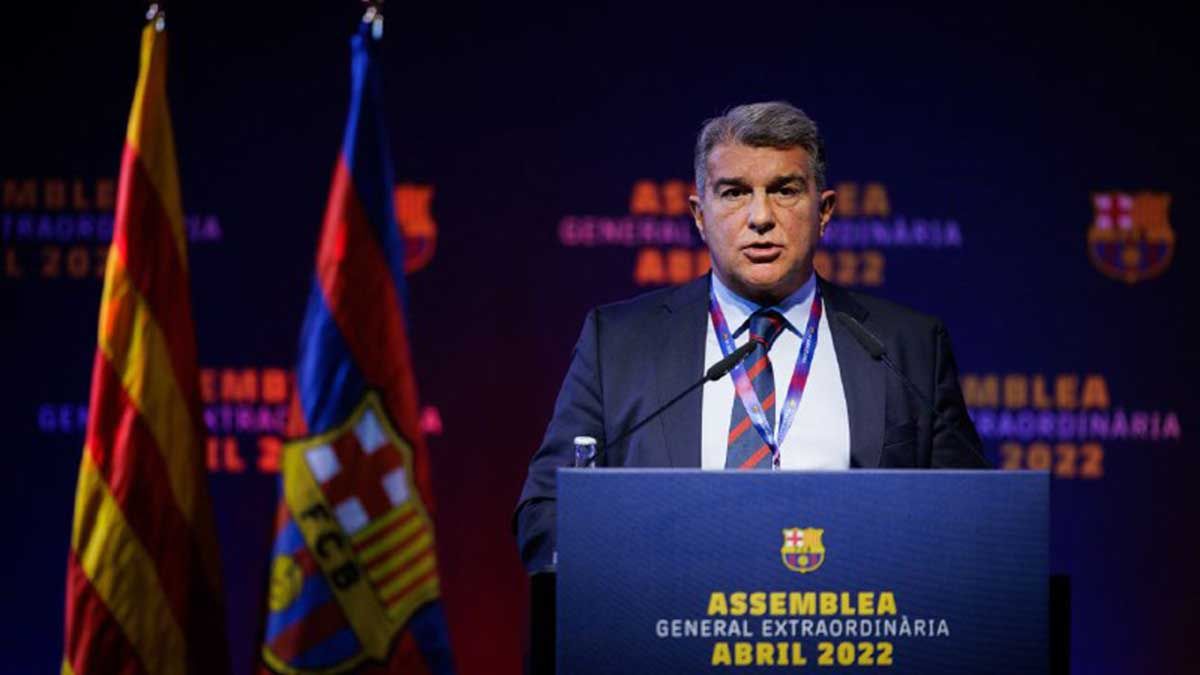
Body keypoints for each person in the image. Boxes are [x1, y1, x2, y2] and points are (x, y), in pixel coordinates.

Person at [514, 101, 988, 574]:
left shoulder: (907, 346)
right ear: (700, 215)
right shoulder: (618, 345)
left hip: (854, 632)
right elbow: (545, 512)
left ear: (824, 211)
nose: (760, 217)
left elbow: (975, 522)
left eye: (784, 190)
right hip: (672, 634)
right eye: (735, 193)